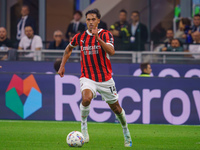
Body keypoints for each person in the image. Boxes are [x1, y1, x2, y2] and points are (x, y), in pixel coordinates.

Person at [58, 9, 132, 147]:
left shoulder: (105, 34)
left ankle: (126, 131)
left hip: (105, 79)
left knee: (116, 108)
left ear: (98, 20)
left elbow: (112, 52)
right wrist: (62, 66)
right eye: (88, 20)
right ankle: (84, 128)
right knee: (86, 98)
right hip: (87, 77)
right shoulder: (80, 37)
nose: (90, 22)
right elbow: (68, 49)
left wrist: (98, 38)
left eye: (93, 19)